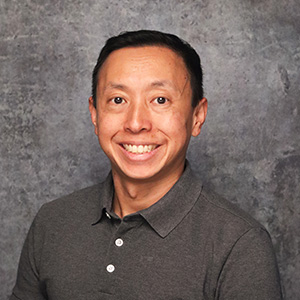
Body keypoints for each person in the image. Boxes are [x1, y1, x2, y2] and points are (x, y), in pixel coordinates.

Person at [10, 30, 282, 300]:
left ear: (197, 116)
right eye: (118, 100)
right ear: (94, 114)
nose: (136, 123)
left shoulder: (240, 245)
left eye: (160, 100)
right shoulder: (52, 221)